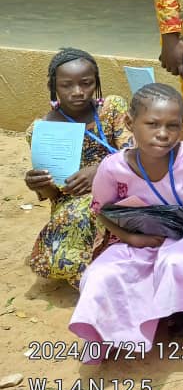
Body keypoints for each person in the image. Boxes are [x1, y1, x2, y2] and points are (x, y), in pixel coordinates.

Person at [68, 84, 183, 362]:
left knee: (176, 263)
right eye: (152, 124)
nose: (163, 134)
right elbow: (102, 210)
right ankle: (106, 336)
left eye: (172, 126)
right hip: (142, 242)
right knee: (100, 275)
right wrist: (131, 238)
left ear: (182, 126)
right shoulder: (113, 167)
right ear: (131, 123)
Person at [24, 48, 131, 288]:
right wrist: (40, 184)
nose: (78, 92)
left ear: (97, 82)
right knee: (81, 216)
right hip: (73, 204)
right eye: (66, 85)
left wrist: (100, 170)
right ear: (53, 86)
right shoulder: (42, 129)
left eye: (86, 83)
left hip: (121, 187)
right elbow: (56, 195)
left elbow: (134, 154)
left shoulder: (112, 109)